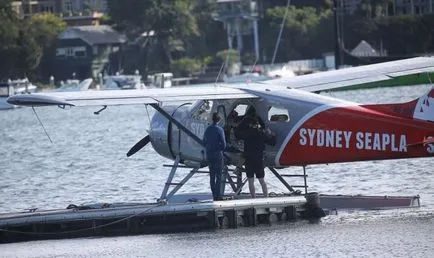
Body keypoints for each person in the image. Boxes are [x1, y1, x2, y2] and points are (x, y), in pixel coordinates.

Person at [236, 116, 275, 198]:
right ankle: (266, 197)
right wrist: (271, 134)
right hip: (259, 159)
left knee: (250, 180)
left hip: (248, 159)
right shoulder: (261, 133)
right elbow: (272, 142)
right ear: (257, 125)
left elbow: (237, 133)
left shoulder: (246, 133)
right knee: (262, 180)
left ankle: (253, 197)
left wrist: (245, 120)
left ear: (250, 124)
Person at [203, 112, 227, 201]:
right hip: (217, 155)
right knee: (219, 176)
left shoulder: (208, 129)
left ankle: (214, 195)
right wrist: (219, 148)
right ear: (219, 120)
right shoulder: (220, 130)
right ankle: (218, 196)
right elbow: (224, 145)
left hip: (209, 155)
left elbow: (204, 142)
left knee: (212, 176)